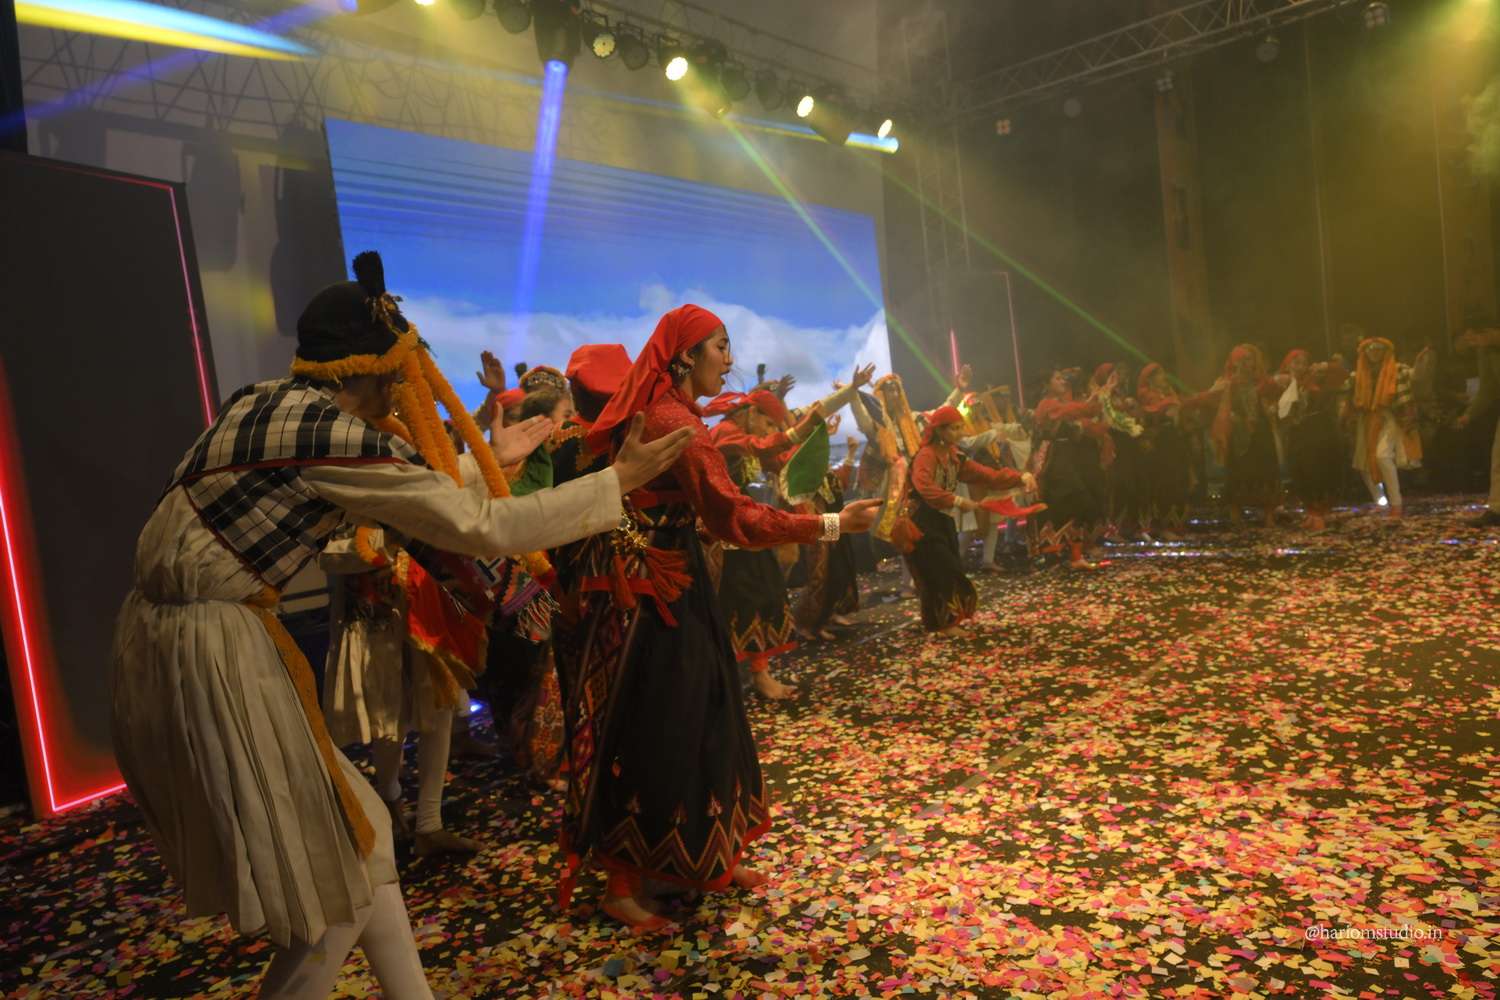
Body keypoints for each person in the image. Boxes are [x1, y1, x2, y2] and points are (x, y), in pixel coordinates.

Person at [109, 253, 692, 999]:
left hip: (167, 640)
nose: (402, 385)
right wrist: (618, 482)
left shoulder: (261, 404)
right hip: (217, 650)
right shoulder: (330, 434)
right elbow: (476, 527)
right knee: (338, 878)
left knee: (367, 841)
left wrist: (489, 461)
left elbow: (412, 495)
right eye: (397, 368)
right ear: (372, 365)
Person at [554, 304, 880, 931]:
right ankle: (622, 884)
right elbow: (735, 516)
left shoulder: (678, 414)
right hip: (656, 598)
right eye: (720, 347)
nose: (728, 361)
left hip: (674, 584)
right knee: (655, 728)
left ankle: (710, 856)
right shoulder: (675, 422)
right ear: (684, 355)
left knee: (704, 714)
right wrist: (830, 523)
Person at [896, 405, 1032, 635]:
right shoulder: (926, 455)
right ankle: (944, 624)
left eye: (961, 427)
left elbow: (986, 475)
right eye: (954, 428)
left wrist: (1020, 477)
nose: (960, 433)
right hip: (921, 521)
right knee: (942, 570)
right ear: (939, 431)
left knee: (944, 570)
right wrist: (957, 501)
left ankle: (940, 623)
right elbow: (924, 486)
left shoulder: (954, 456)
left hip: (941, 519)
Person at [1190, 344, 1283, 527]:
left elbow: (1279, 397)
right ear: (1234, 362)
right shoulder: (1226, 384)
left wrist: (1273, 407)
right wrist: (1229, 415)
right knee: (1239, 472)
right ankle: (1236, 515)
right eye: (1242, 359)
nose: (1246, 363)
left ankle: (1268, 515)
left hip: (1261, 433)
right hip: (1238, 434)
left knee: (1265, 471)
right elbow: (1210, 401)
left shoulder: (1264, 382)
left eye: (1249, 359)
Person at [1032, 366, 1108, 568]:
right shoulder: (1047, 404)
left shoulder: (1059, 404)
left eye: (1062, 378)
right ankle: (1054, 555)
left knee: (1072, 504)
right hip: (1053, 460)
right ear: (1046, 384)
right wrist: (1094, 401)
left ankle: (1074, 556)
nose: (1063, 381)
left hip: (1067, 458)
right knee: (1066, 502)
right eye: (1057, 378)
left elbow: (1079, 418)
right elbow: (1076, 411)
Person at [1276, 349, 1349, 532]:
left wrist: (1325, 365)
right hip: (1297, 434)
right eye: (1296, 362)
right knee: (1299, 472)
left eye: (1303, 363)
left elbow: (1342, 374)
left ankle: (1318, 516)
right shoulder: (1282, 382)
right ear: (1288, 364)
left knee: (1316, 472)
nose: (1300, 366)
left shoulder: (1317, 378)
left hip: (1319, 433)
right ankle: (1311, 513)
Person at [1350, 337, 1421, 517]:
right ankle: (1380, 501)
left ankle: (1396, 503)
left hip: (1392, 416)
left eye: (1379, 349)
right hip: (1368, 419)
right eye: (1370, 349)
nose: (1374, 352)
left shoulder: (1397, 369)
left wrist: (1424, 363)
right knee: (1363, 463)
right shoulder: (1358, 374)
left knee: (1382, 456)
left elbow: (1417, 377)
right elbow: (1343, 387)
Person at [1135, 363, 1191, 539]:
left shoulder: (1167, 393)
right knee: (1163, 481)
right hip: (1160, 442)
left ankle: (1175, 524)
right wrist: (1169, 405)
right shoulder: (1147, 395)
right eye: (1160, 375)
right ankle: (1162, 526)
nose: (1164, 378)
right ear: (1151, 379)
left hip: (1172, 439)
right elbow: (1154, 414)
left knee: (1177, 479)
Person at [1454, 323, 1500, 526]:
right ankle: (1497, 509)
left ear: (1489, 331)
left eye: (1474, 339)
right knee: (1498, 458)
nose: (1472, 344)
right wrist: (1469, 415)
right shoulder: (1485, 351)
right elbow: (1488, 387)